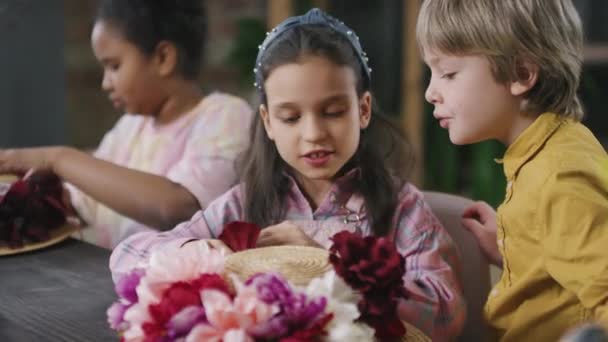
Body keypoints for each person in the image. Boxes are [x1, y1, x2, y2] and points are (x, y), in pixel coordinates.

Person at [110, 8, 466, 340]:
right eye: (291, 118)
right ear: (267, 122)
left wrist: (328, 267)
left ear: (363, 109)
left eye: (333, 111)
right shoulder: (246, 201)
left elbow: (447, 311)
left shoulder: (401, 206)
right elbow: (126, 257)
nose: (313, 134)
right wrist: (199, 253)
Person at [417, 0, 608, 341]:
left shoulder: (558, 176)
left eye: (448, 73)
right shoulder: (550, 150)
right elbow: (562, 268)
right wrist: (514, 246)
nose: (431, 92)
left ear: (521, 73)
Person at [0, 0, 252, 249]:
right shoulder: (129, 128)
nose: (105, 84)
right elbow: (80, 201)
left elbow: (178, 208)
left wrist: (58, 158)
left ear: (163, 58)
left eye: (114, 66)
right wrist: (20, 194)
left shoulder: (225, 116)